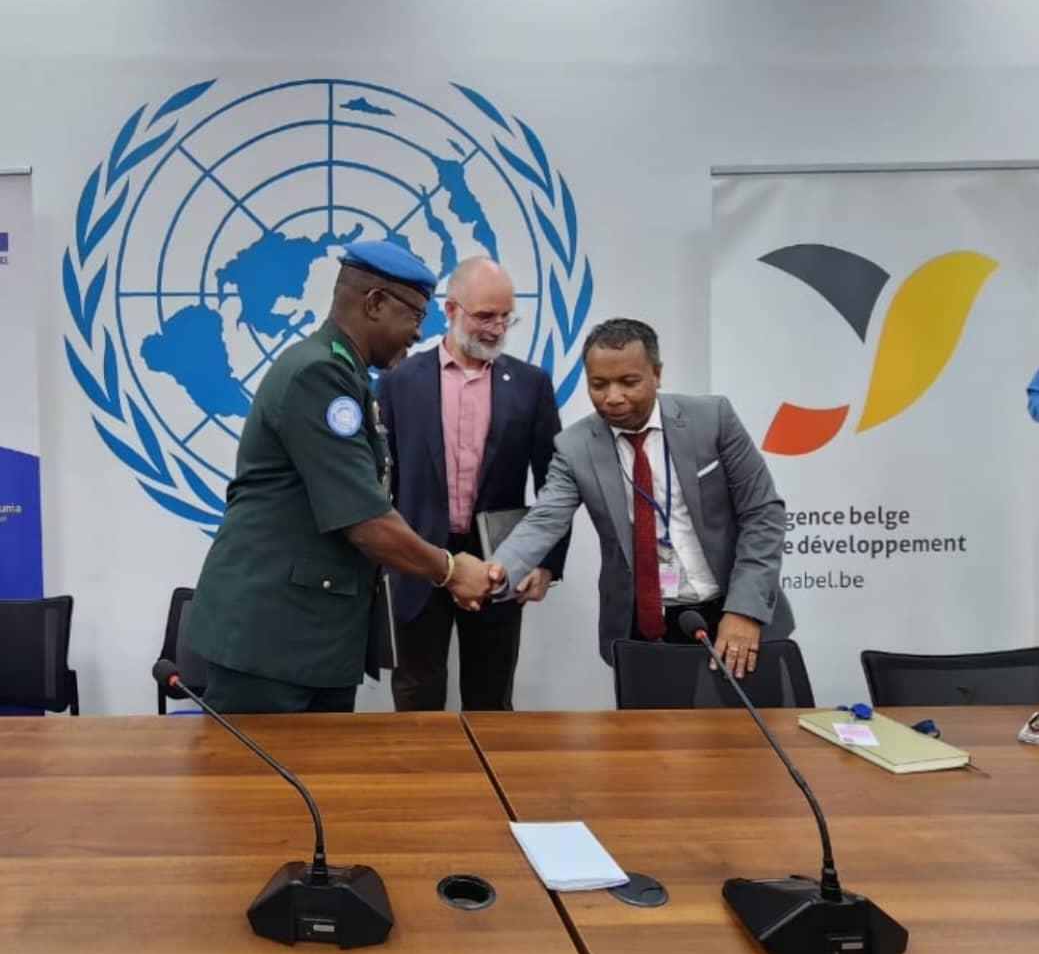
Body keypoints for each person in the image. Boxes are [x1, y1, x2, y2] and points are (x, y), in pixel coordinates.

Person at [186, 241, 495, 713]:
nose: (418, 333)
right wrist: (450, 570)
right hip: (273, 643)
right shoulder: (320, 375)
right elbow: (365, 521)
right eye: (414, 315)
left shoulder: (344, 374)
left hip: (310, 640)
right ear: (375, 303)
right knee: (256, 767)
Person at [490, 318, 793, 679]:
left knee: (746, 718)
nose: (613, 397)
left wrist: (745, 610)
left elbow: (762, 513)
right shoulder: (574, 447)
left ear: (657, 374)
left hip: (733, 615)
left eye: (628, 382)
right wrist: (497, 570)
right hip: (642, 628)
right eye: (598, 384)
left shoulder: (713, 419)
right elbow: (545, 520)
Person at [375, 257, 568, 710]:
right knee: (416, 697)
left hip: (500, 566)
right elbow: (380, 481)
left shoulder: (531, 385)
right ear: (450, 310)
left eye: (506, 317)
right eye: (485, 316)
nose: (497, 328)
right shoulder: (399, 382)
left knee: (492, 700)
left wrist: (545, 563)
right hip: (417, 562)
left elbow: (556, 484)